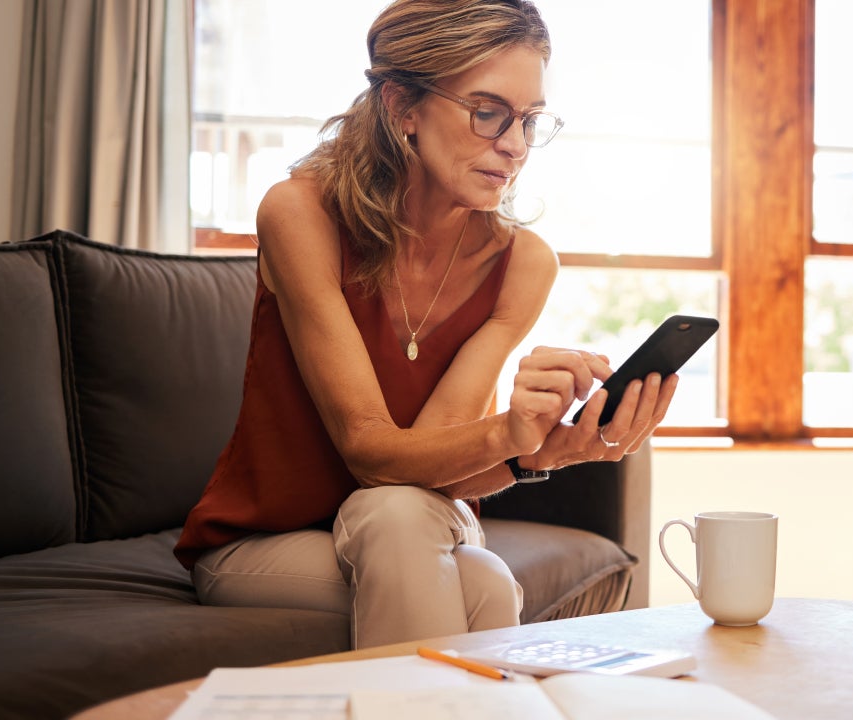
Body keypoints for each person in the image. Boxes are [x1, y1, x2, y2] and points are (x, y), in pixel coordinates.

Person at [174, 0, 677, 650]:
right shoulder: (301, 214)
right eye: (488, 111)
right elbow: (370, 452)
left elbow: (438, 470)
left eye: (530, 120)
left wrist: (542, 453)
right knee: (482, 582)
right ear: (400, 107)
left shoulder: (522, 263)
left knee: (402, 516)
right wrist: (508, 432)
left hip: (421, 520)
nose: (516, 145)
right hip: (264, 542)